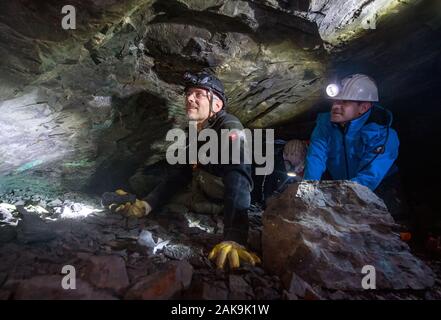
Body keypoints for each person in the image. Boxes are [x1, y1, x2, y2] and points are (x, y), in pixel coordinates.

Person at [102, 71, 260, 270]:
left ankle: (143, 200)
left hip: (218, 199)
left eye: (199, 94)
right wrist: (147, 204)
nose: (190, 98)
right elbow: (181, 174)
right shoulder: (195, 131)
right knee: (144, 179)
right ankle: (138, 202)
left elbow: (238, 177)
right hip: (198, 188)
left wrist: (235, 236)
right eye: (188, 94)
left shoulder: (229, 125)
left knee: (164, 188)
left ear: (217, 105)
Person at [302, 73, 400, 191]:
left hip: (380, 189)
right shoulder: (325, 125)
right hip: (340, 184)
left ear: (363, 107)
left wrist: (335, 195)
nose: (335, 106)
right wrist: (308, 191)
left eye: (344, 102)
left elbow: (369, 177)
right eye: (334, 101)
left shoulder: (383, 135)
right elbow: (315, 158)